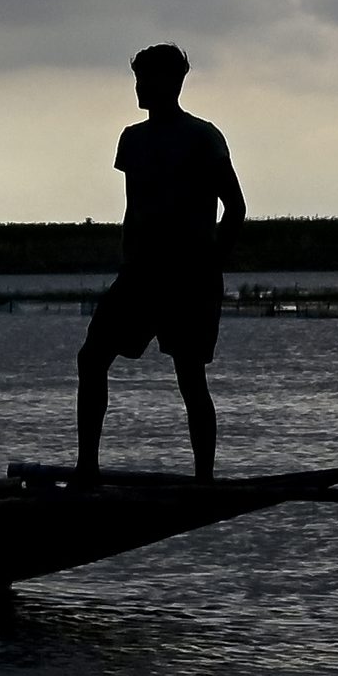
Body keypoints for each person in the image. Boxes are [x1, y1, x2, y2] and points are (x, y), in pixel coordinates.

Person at [78, 42, 241, 482]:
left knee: (190, 377)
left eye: (146, 80)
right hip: (139, 275)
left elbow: (236, 208)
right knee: (91, 358)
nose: (139, 88)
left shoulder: (203, 137)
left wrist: (209, 263)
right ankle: (87, 467)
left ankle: (203, 479)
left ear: (172, 83)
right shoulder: (133, 139)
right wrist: (130, 258)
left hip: (189, 278)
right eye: (137, 79)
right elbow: (138, 206)